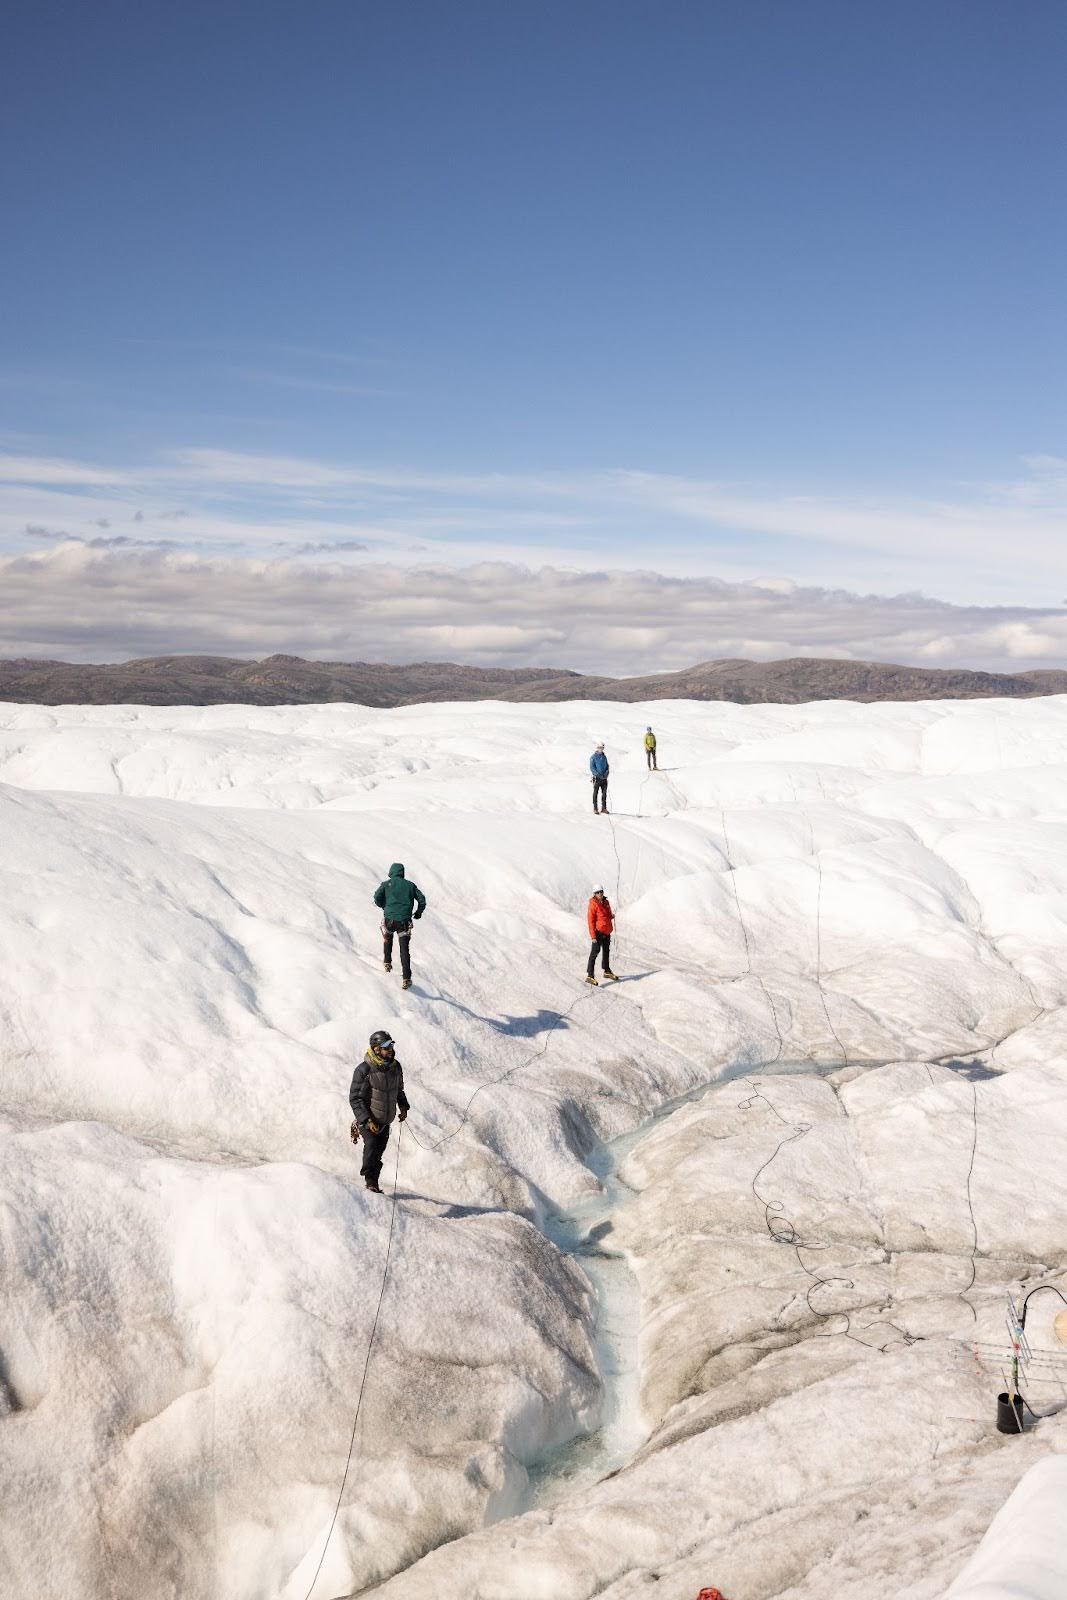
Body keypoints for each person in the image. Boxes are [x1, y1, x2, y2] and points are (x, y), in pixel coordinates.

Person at [349, 1030, 409, 1193]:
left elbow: (398, 1090)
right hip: (368, 1119)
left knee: (377, 1154)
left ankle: (373, 1183)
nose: (389, 1049)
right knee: (371, 1147)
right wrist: (366, 1120)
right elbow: (355, 1098)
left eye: (390, 1045)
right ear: (376, 1049)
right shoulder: (364, 1070)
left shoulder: (395, 1067)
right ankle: (370, 1183)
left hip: (385, 1120)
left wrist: (403, 1106)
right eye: (385, 1047)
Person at [373, 862, 426, 990]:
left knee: (387, 938)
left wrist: (384, 907)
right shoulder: (410, 886)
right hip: (404, 922)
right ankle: (406, 978)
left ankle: (387, 963)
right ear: (402, 872)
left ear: (391, 872)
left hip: (389, 920)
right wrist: (418, 913)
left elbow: (376, 898)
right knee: (404, 949)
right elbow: (422, 900)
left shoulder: (386, 885)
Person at [585, 884, 618, 984]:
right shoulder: (593, 904)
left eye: (601, 891)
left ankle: (607, 971)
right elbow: (590, 921)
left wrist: (611, 916)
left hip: (607, 931)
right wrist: (593, 936)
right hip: (598, 933)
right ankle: (590, 975)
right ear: (594, 894)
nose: (600, 894)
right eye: (597, 892)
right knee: (594, 953)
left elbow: (607, 914)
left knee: (606, 951)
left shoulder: (606, 902)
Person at [589, 742, 610, 814]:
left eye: (602, 748)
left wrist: (606, 774)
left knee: (604, 794)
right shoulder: (593, 757)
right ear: (597, 748)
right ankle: (595, 808)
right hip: (597, 778)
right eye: (600, 748)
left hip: (604, 778)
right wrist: (598, 774)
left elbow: (607, 766)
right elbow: (592, 768)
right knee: (595, 793)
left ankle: (604, 808)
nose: (601, 749)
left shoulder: (604, 757)